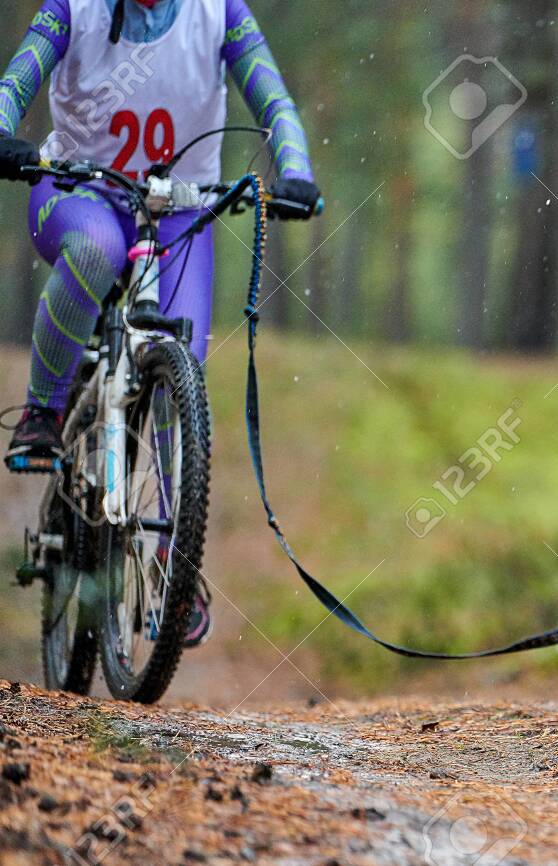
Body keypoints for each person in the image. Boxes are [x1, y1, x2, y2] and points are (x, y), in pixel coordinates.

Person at [0, 0, 321, 645]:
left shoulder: (221, 14)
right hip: (76, 191)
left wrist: (295, 172)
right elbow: (14, 84)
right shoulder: (74, 9)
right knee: (96, 254)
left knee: (183, 367)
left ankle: (178, 569)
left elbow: (274, 100)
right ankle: (43, 410)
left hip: (179, 210)